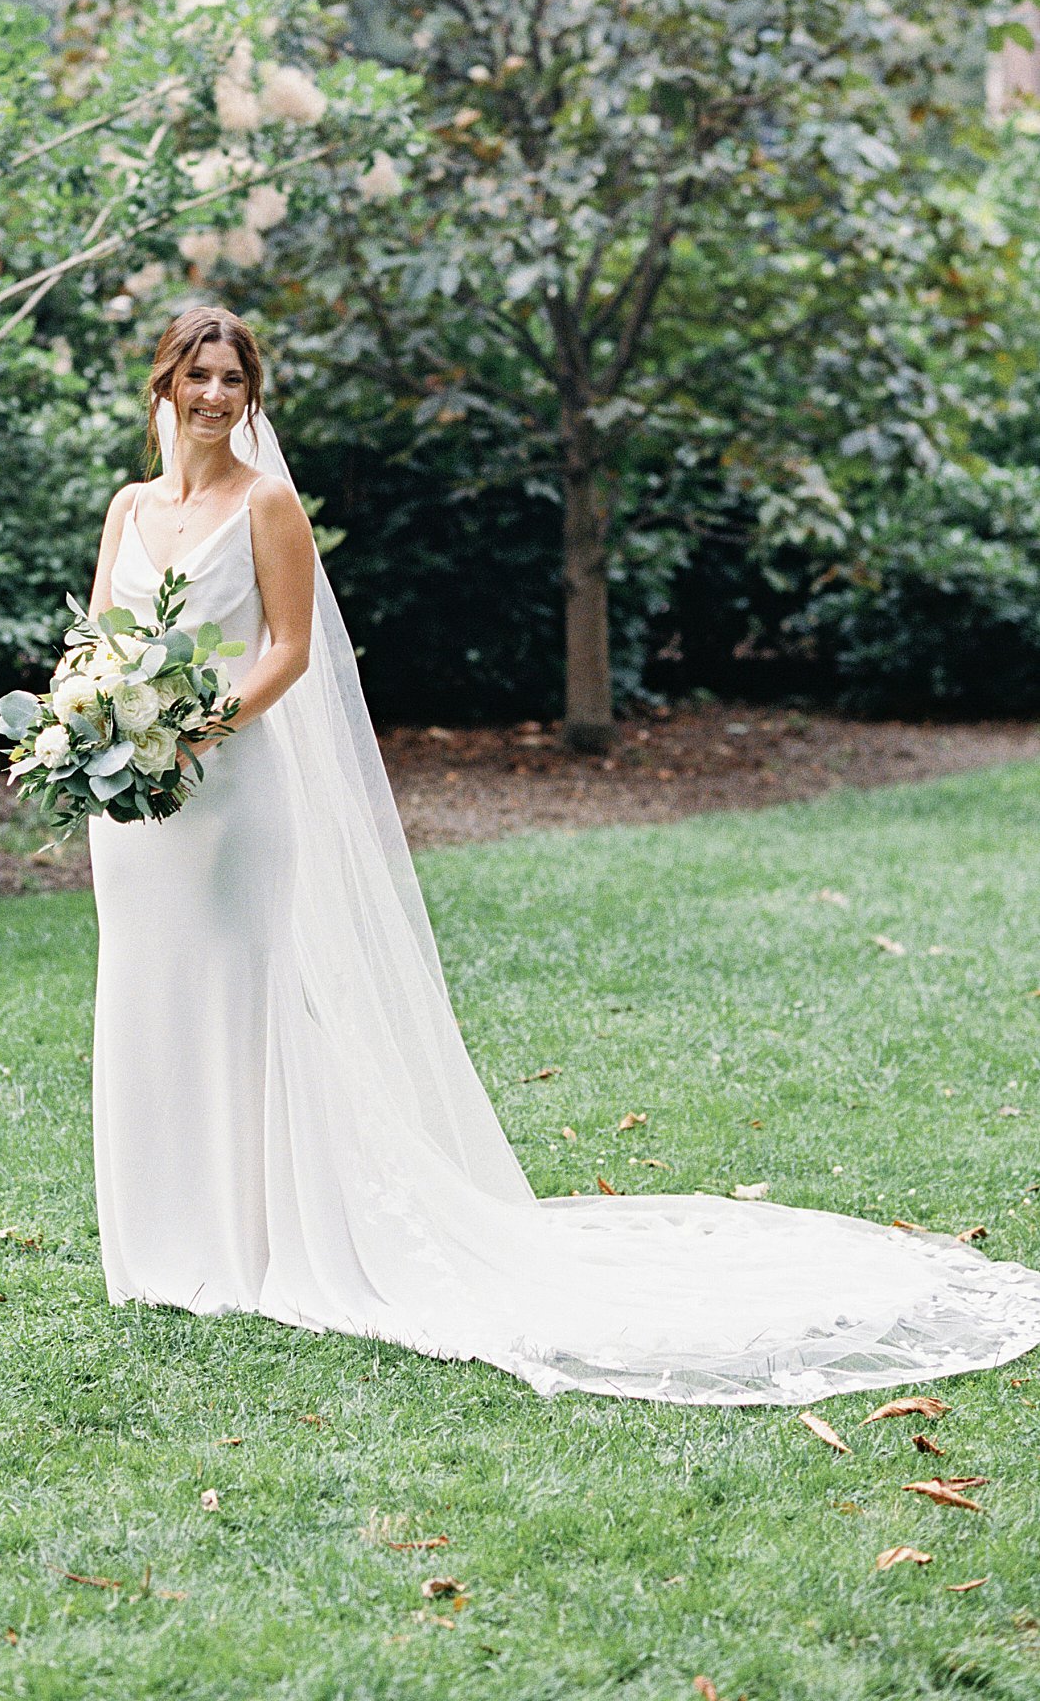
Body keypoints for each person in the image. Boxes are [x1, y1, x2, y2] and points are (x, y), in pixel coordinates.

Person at [87, 303, 1040, 1404]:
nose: (213, 395)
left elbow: (290, 650)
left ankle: (253, 1242)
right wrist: (96, 724)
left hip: (231, 797)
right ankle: (164, 1241)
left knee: (241, 1001)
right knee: (149, 997)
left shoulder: (269, 503)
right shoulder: (129, 506)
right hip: (136, 812)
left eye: (232, 378)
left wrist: (194, 730)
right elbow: (99, 643)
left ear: (251, 396)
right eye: (196, 375)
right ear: (163, 385)